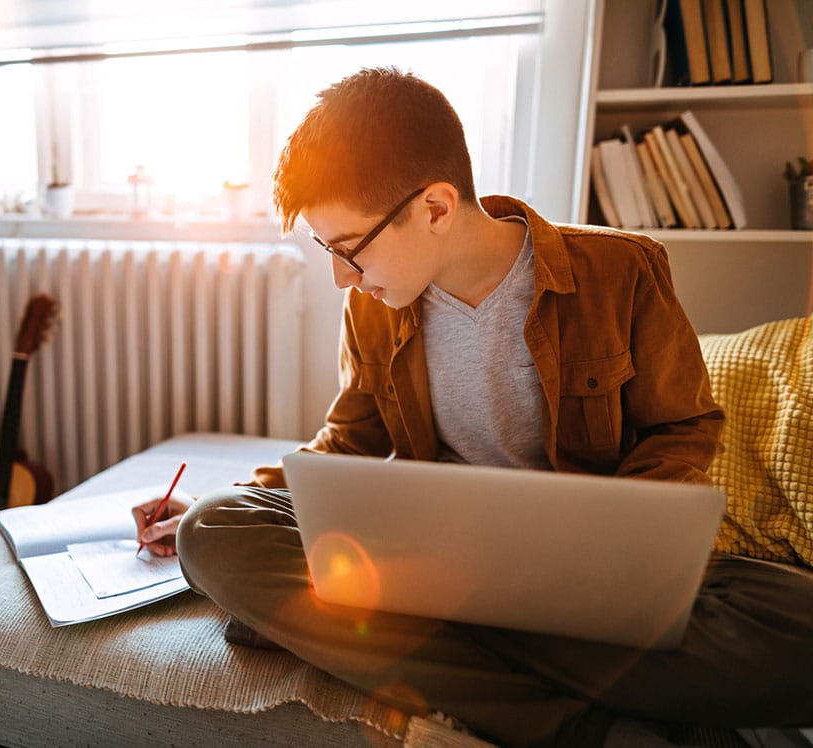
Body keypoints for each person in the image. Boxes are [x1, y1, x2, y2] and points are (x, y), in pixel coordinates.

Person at [134, 68, 813, 746]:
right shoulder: (373, 308)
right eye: (326, 251)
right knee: (214, 531)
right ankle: (577, 724)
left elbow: (683, 426)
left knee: (797, 624)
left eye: (349, 250)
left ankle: (473, 670)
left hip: (580, 569)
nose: (341, 277)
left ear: (434, 207)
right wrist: (215, 499)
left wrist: (620, 553)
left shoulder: (623, 270)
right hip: (432, 561)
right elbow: (348, 443)